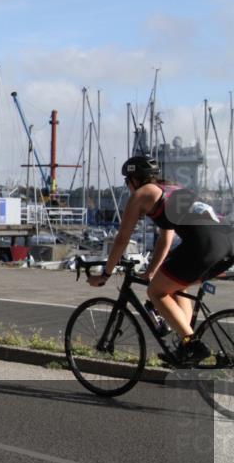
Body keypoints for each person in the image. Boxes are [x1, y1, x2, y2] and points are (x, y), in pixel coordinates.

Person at [89, 155, 234, 365]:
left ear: (134, 179)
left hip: (204, 245)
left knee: (155, 292)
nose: (128, 186)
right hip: (228, 241)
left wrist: (106, 273)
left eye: (127, 181)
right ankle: (185, 346)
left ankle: (192, 345)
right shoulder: (170, 189)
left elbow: (122, 238)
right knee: (175, 286)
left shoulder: (142, 194)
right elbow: (165, 240)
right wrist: (150, 273)